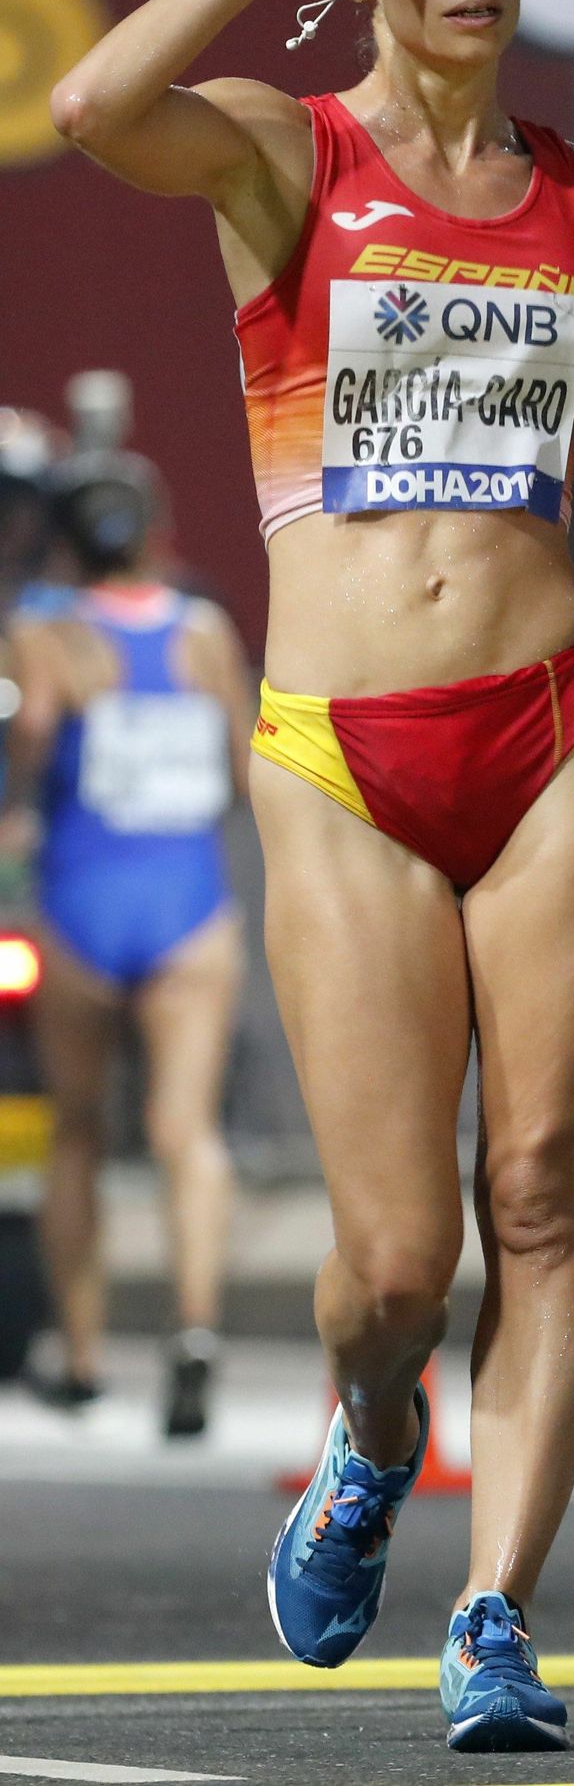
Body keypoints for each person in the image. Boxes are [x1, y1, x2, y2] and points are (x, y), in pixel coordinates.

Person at [49, 0, 574, 1753]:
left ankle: (497, 1612)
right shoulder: (280, 161)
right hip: (341, 756)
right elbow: (85, 109)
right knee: (396, 1264)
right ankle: (374, 1434)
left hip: (549, 731)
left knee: (542, 1192)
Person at [4, 454, 251, 1435]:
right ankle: (196, 1329)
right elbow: (243, 766)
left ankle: (85, 1353)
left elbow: (27, 764)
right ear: (154, 528)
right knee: (188, 1130)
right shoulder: (205, 633)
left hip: (80, 903)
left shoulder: (43, 634)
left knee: (78, 1130)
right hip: (188, 899)